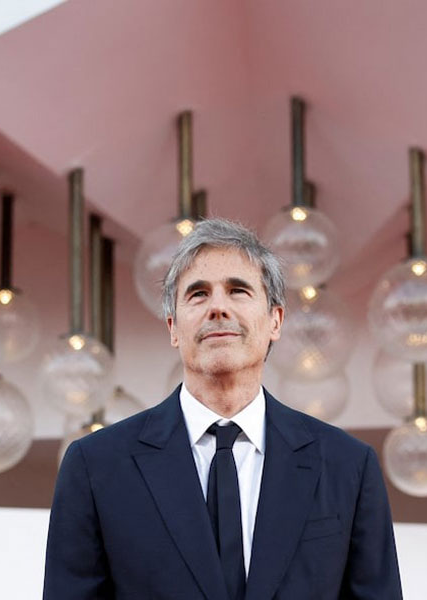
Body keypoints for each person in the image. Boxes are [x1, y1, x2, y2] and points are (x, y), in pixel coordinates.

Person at [43, 218, 402, 599]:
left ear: (275, 321)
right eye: (198, 294)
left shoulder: (348, 465)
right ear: (173, 328)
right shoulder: (95, 465)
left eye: (238, 290)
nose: (217, 307)